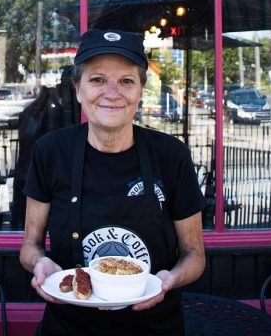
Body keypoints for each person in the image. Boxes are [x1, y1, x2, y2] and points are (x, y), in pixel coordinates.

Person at [20, 29, 206, 335]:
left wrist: (167, 280)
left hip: (154, 328)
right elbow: (30, 245)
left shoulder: (171, 155)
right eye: (97, 79)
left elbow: (194, 256)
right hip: (69, 328)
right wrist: (40, 264)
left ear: (140, 90)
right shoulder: (51, 152)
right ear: (78, 89)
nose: (112, 92)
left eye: (126, 81)